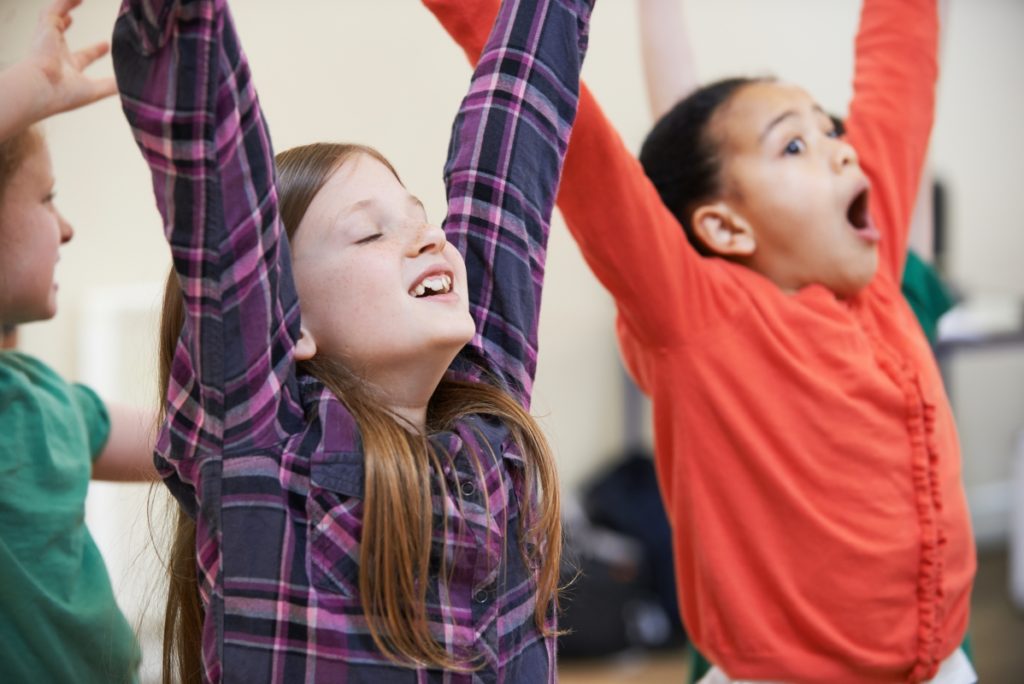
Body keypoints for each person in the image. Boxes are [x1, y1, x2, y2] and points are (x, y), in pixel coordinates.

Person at [422, 0, 975, 681]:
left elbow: (900, 68)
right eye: (794, 144)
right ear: (725, 227)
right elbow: (588, 154)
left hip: (944, 663)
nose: (843, 148)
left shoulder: (876, 270)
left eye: (831, 132)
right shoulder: (700, 321)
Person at [112, 0, 593, 680]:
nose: (430, 238)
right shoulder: (263, 451)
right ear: (288, 320)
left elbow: (516, 142)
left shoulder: (488, 410)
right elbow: (220, 194)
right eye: (371, 233)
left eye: (421, 218)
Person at [0, 1, 153, 681]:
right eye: (45, 199)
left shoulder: (42, 400)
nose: (65, 228)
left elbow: (188, 438)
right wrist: (24, 91)